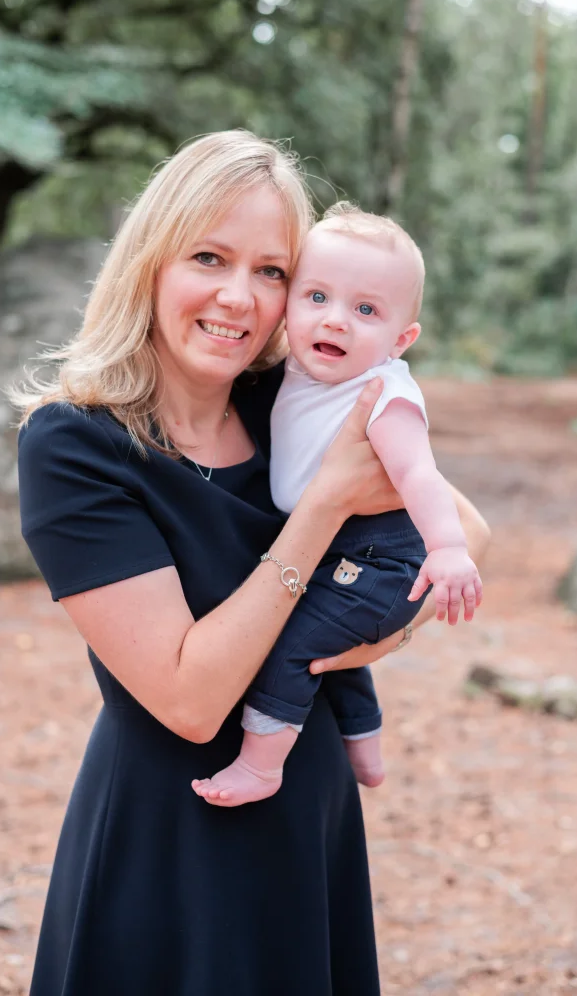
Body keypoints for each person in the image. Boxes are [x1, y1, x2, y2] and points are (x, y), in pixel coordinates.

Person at [12, 130, 491, 996]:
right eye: (209, 257)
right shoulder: (75, 446)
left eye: (271, 271)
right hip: (166, 837)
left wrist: (370, 637)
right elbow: (192, 703)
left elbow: (466, 530)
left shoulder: (298, 397)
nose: (239, 297)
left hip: (309, 813)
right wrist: (323, 509)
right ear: (150, 262)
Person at [193, 203, 483, 809]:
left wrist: (448, 548)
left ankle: (261, 763)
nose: (336, 320)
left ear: (400, 340)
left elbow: (418, 473)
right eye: (317, 297)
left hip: (381, 561)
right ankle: (363, 742)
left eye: (366, 310)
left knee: (294, 642)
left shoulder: (382, 394)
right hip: (340, 551)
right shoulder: (299, 369)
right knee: (330, 646)